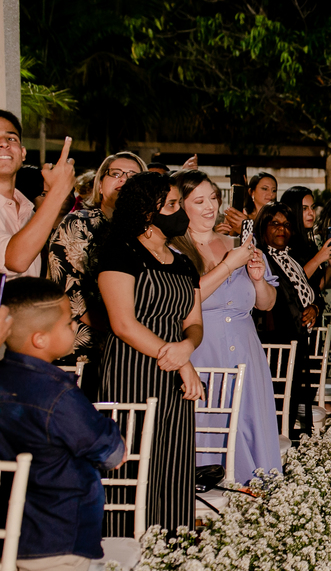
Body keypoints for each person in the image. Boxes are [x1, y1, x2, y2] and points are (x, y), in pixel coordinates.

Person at [0, 278, 126, 571]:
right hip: (57, 531)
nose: (75, 326)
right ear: (40, 339)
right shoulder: (57, 394)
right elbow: (112, 452)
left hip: (10, 528)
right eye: (69, 322)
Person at [97, 172, 203, 536]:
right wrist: (180, 361)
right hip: (132, 370)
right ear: (146, 212)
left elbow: (194, 322)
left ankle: (173, 544)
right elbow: (123, 324)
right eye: (171, 205)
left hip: (175, 375)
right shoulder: (120, 251)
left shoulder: (184, 262)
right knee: (133, 459)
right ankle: (124, 546)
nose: (180, 212)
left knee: (173, 460)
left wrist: (187, 347)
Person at [172, 171, 281, 483]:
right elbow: (185, 300)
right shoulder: (174, 252)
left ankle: (256, 497)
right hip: (204, 355)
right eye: (199, 201)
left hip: (247, 353)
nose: (210, 207)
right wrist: (229, 265)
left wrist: (258, 280)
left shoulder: (240, 244)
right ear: (180, 206)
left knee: (249, 426)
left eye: (213, 198)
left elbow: (266, 303)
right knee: (208, 430)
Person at [46, 152, 147, 379]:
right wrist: (127, 331)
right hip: (84, 353)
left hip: (136, 353)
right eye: (116, 174)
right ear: (100, 185)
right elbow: (72, 296)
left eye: (133, 176)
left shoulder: (149, 232)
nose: (124, 179)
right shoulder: (79, 223)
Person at [254, 202, 321, 438]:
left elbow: (311, 294)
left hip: (296, 344)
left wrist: (314, 308)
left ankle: (288, 451)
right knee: (275, 410)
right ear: (262, 227)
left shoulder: (291, 260)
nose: (282, 229)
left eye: (287, 224)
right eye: (275, 224)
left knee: (290, 408)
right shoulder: (259, 259)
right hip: (273, 346)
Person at [0, 112, 76, 279]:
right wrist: (58, 190)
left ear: (23, 153)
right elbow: (16, 260)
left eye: (11, 138)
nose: (4, 143)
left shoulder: (29, 210)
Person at [280, 185, 331, 289]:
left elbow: (316, 288)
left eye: (312, 207)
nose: (311, 213)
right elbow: (294, 284)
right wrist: (318, 258)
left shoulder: (308, 243)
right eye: (304, 208)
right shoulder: (283, 244)